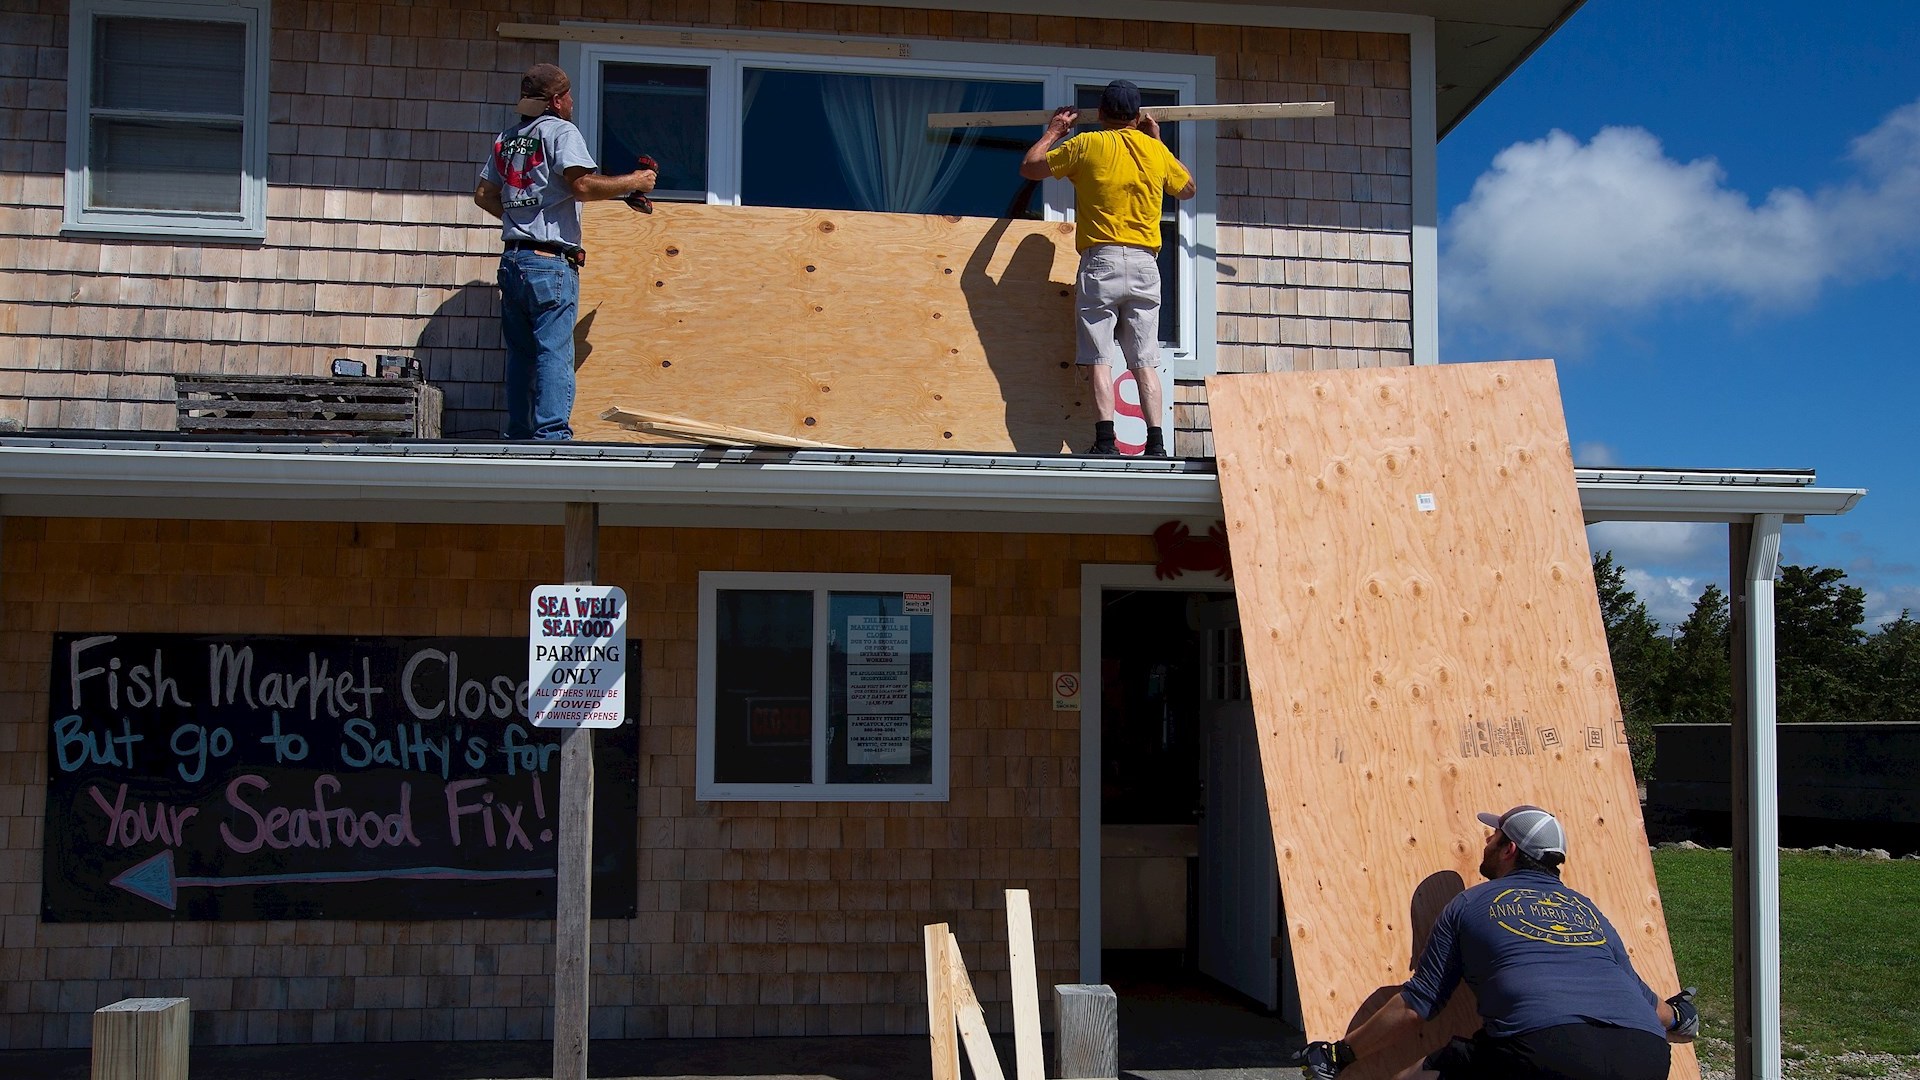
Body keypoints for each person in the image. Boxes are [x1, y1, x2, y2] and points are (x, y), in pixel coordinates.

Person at [1299, 805, 1700, 1080]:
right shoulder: (1586, 910)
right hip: (1644, 1054)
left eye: (1493, 837)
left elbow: (1416, 1006)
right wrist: (1681, 1016)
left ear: (1508, 849)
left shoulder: (1469, 903)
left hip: (1546, 1048)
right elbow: (1649, 1004)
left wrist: (1339, 1054)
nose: (1485, 843)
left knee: (1427, 1072)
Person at [474, 63, 656, 440]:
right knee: (553, 352)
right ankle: (552, 436)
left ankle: (521, 434)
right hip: (548, 264)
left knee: (522, 355)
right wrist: (634, 182)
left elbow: (483, 195)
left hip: (513, 261)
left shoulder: (506, 139)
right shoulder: (561, 131)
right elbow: (584, 186)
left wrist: (521, 218)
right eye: (569, 94)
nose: (573, 101)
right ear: (556, 101)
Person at [1020, 80, 1196, 457]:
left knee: (1099, 355)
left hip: (1102, 261)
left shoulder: (1087, 144)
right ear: (1136, 117)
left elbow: (1031, 168)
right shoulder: (1153, 151)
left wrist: (1054, 131)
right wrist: (1158, 142)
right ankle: (1156, 443)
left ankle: (1105, 442)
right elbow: (1188, 189)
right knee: (1145, 358)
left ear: (1100, 115)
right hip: (1146, 264)